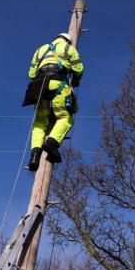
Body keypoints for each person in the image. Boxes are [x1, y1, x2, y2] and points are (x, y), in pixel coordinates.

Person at [21, 33, 84, 170]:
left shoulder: (40, 49)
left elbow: (31, 74)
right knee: (65, 117)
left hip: (39, 86)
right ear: (68, 40)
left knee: (40, 122)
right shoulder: (68, 48)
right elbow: (79, 69)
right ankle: (52, 143)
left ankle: (34, 155)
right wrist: (76, 81)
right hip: (58, 82)